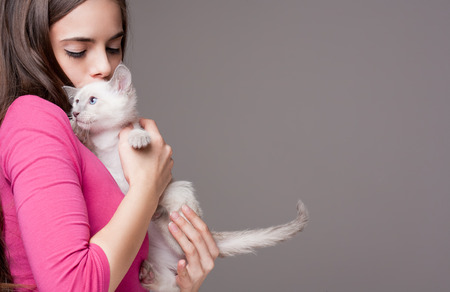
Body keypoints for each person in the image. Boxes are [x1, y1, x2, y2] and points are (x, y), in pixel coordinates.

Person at [0, 0, 219, 291]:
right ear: (32, 48)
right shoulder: (34, 120)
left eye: (114, 47)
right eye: (77, 51)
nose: (104, 66)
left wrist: (180, 284)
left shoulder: (79, 137)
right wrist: (146, 187)